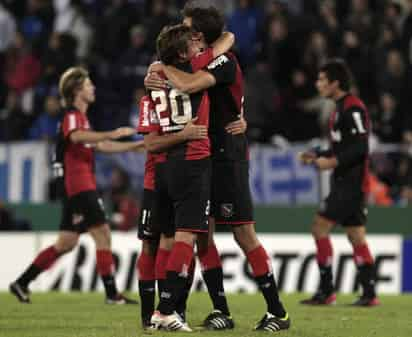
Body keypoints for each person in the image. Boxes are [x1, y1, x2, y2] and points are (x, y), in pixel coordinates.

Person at [145, 5, 290, 332]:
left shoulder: (223, 61)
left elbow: (192, 84)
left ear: (197, 35)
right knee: (202, 237)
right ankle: (220, 310)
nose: (181, 30)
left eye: (186, 27)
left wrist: (162, 68)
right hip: (203, 152)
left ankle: (277, 312)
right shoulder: (203, 55)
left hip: (228, 156)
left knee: (243, 233)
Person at [10, 67, 143, 305]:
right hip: (79, 185)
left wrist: (133, 146)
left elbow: (101, 145)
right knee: (102, 233)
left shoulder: (82, 120)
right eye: (88, 85)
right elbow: (76, 137)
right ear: (76, 91)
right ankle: (112, 295)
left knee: (67, 242)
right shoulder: (73, 116)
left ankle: (21, 283)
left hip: (75, 187)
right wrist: (112, 132)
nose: (93, 88)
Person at [135, 29, 235, 329]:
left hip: (166, 168)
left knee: (167, 238)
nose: (199, 44)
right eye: (192, 42)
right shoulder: (196, 70)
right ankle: (164, 309)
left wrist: (157, 66)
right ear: (181, 54)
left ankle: (165, 311)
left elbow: (151, 140)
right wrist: (187, 133)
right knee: (186, 237)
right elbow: (226, 39)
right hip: (192, 163)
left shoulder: (153, 85)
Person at [298, 59, 379, 306]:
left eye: (322, 79)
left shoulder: (353, 108)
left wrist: (331, 162)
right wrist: (319, 156)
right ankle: (369, 294)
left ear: (335, 83)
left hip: (351, 183)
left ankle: (326, 291)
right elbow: (343, 147)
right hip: (347, 181)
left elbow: (360, 148)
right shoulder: (339, 108)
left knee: (319, 228)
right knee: (356, 235)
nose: (318, 83)